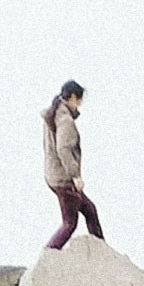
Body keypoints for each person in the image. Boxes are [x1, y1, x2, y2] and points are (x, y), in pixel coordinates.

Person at [42, 82, 104, 248]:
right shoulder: (65, 120)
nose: (80, 105)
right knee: (70, 223)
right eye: (80, 100)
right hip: (64, 179)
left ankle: (101, 249)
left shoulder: (54, 114)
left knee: (90, 210)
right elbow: (63, 149)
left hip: (54, 175)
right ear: (73, 98)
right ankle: (49, 253)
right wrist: (75, 176)